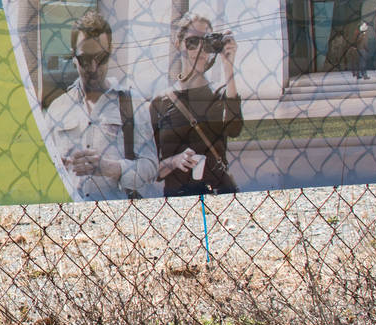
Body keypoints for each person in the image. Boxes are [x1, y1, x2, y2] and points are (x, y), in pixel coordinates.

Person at [43, 11, 157, 202]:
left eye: (101, 58)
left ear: (110, 53)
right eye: (85, 60)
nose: (93, 69)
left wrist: (110, 168)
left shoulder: (132, 104)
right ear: (73, 58)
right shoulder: (57, 109)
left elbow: (151, 166)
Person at [151, 13, 243, 197]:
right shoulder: (160, 102)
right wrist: (175, 161)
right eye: (192, 42)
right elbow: (153, 170)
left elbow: (234, 129)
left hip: (218, 195)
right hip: (178, 198)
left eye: (206, 42)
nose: (200, 49)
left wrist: (228, 66)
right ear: (179, 45)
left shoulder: (219, 94)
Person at [355, 16, 375, 80]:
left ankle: (361, 74)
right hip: (362, 50)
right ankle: (364, 75)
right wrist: (367, 49)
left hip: (361, 50)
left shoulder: (361, 35)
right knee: (363, 63)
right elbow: (363, 43)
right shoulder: (362, 35)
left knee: (361, 63)